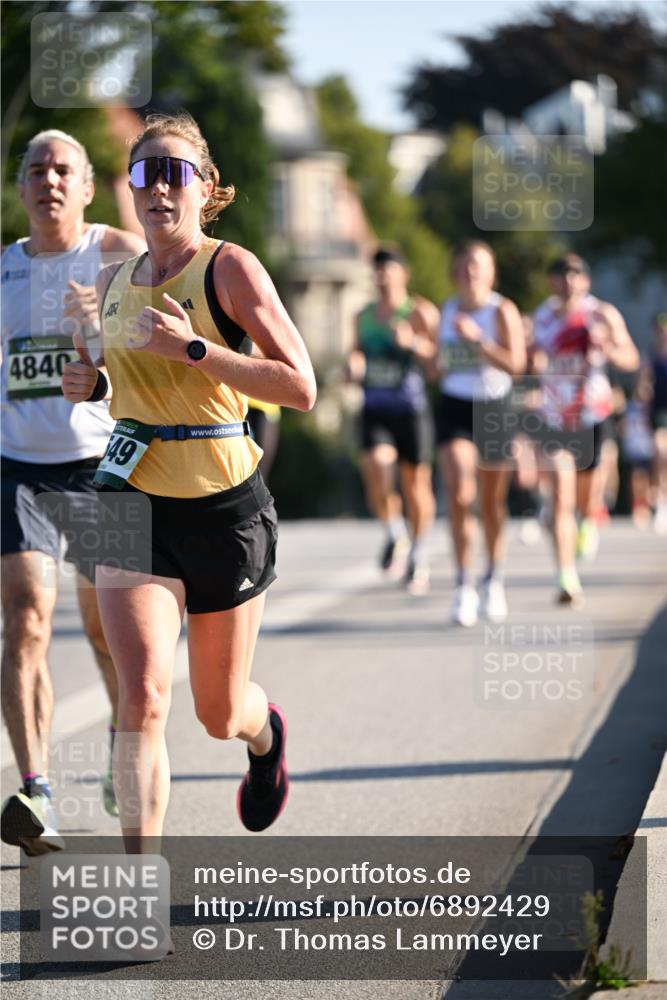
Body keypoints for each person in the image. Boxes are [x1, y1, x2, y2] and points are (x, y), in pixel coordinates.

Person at [62, 112, 316, 847]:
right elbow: (129, 382)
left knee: (216, 712)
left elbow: (299, 387)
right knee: (141, 697)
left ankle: (263, 735)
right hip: (130, 503)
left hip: (221, 510)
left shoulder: (229, 269)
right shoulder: (111, 283)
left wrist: (198, 348)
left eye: (176, 173)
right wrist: (93, 383)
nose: (158, 188)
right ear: (132, 189)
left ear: (205, 189)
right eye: (146, 174)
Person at [0, 130, 145, 856]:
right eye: (36, 170)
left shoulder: (116, 252)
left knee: (108, 632)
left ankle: (126, 750)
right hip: (19, 467)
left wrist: (103, 330)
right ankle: (36, 790)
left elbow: (160, 353)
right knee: (26, 621)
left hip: (103, 465)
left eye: (64, 170)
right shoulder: (2, 272)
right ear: (21, 187)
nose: (49, 180)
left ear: (87, 186)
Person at [532, 253, 639, 603]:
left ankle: (589, 519)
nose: (568, 281)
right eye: (561, 274)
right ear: (551, 281)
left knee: (586, 494)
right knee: (561, 496)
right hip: (553, 417)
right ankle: (566, 576)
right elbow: (528, 362)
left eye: (576, 274)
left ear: (586, 281)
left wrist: (607, 347)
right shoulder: (541, 319)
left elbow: (631, 359)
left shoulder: (602, 314)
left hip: (592, 414)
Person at [435, 240, 525, 626]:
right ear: (456, 272)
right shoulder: (448, 310)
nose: (471, 272)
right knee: (459, 493)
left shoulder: (501, 310)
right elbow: (439, 364)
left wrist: (479, 342)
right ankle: (464, 584)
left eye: (479, 266)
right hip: (455, 405)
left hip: (493, 409)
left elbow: (516, 364)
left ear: (491, 273)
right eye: (466, 265)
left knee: (491, 505)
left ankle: (494, 578)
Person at [347, 246, 439, 594]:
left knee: (416, 483)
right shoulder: (364, 315)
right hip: (375, 406)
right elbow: (355, 351)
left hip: (411, 408)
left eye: (389, 269)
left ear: (404, 273)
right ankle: (394, 531)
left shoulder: (419, 312)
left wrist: (413, 342)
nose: (382, 276)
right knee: (375, 467)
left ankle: (420, 549)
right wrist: (352, 364)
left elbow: (436, 365)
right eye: (378, 270)